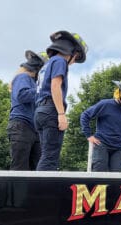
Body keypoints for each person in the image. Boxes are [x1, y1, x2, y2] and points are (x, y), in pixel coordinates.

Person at [34, 30, 88, 171]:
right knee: (50, 158)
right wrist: (61, 114)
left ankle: (38, 190)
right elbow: (55, 86)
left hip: (40, 111)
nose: (74, 61)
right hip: (51, 110)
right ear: (72, 52)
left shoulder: (47, 64)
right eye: (76, 58)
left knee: (45, 155)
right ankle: (42, 192)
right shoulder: (60, 61)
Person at [80, 76, 121, 172]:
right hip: (101, 144)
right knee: (99, 173)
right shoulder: (105, 104)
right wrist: (89, 136)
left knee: (117, 176)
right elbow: (85, 115)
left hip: (117, 147)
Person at [7, 50, 48, 170]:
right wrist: (42, 90)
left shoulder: (34, 83)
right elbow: (22, 95)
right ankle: (16, 189)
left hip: (34, 129)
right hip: (21, 126)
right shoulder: (23, 77)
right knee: (20, 168)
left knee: (37, 168)